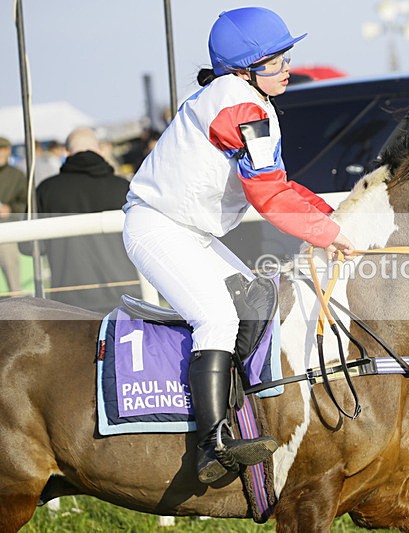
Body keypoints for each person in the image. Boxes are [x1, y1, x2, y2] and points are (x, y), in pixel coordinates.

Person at [122, 7, 355, 484]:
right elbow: (267, 196)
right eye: (274, 61)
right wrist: (329, 234)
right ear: (244, 69)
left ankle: (239, 414)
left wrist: (334, 219)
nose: (287, 68)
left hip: (188, 231)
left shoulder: (246, 99)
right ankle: (210, 447)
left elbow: (281, 184)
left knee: (258, 302)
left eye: (286, 57)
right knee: (219, 318)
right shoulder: (241, 106)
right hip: (158, 228)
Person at [23, 127, 141, 311]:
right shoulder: (124, 188)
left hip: (69, 298)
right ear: (101, 151)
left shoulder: (46, 191)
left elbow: (28, 246)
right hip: (125, 294)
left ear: (66, 153)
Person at [0, 136, 27, 295]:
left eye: (2, 150)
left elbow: (26, 203)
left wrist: (10, 209)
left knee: (13, 280)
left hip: (7, 231)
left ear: (8, 151)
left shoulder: (17, 175)